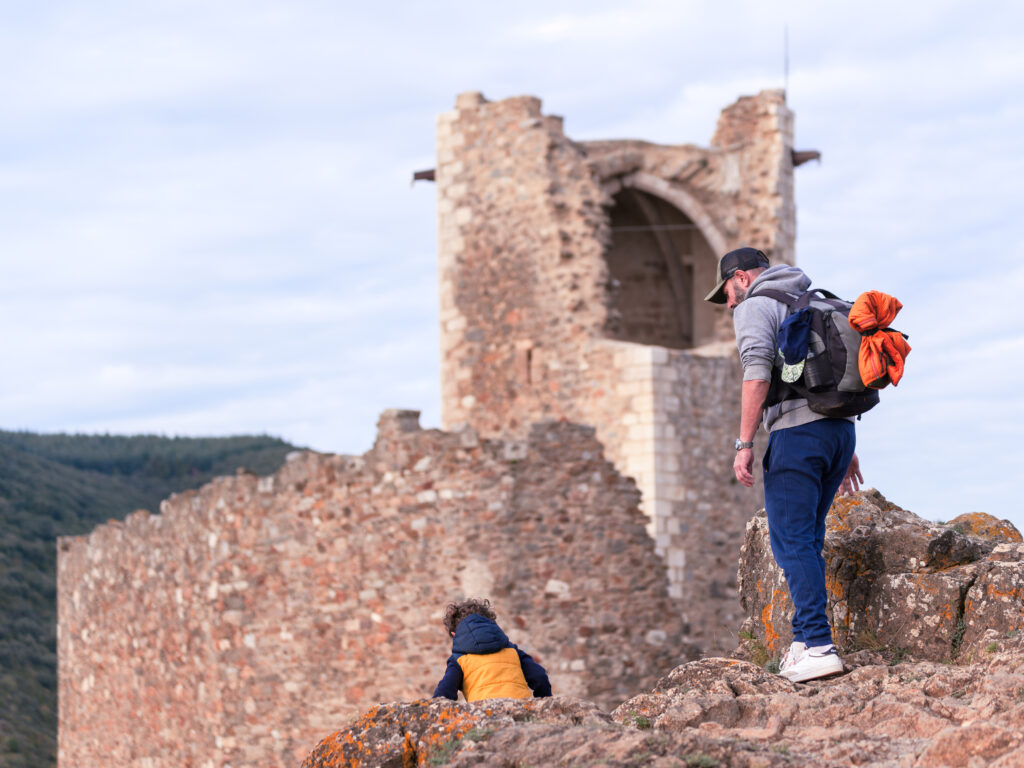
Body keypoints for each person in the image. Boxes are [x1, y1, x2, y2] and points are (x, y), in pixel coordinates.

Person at [705, 247, 863, 683]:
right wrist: (843, 444)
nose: (731, 304)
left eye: (729, 294)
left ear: (741, 277)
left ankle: (818, 645)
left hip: (797, 436)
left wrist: (744, 443)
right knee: (808, 540)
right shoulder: (814, 298)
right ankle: (801, 643)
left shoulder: (757, 304)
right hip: (838, 433)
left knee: (791, 543)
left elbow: (756, 374)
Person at [432, 598, 552, 701]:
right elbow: (540, 676)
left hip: (485, 715)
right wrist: (543, 705)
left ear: (454, 634)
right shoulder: (512, 650)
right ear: (490, 623)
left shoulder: (458, 660)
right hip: (522, 708)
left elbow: (444, 693)